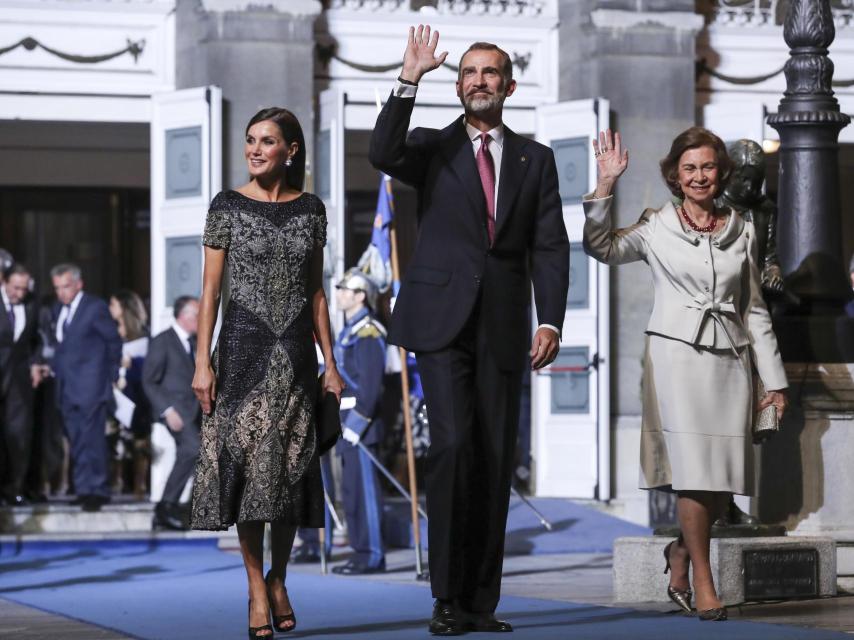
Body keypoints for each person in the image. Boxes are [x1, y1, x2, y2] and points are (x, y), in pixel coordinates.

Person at [369, 26, 569, 634]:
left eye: (490, 73)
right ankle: (446, 598)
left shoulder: (538, 158)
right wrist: (409, 78)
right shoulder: (432, 146)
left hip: (505, 326)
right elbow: (382, 152)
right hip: (441, 322)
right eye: (469, 73)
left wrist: (551, 317)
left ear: (508, 85)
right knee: (454, 447)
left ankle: (482, 603)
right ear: (457, 86)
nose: (479, 81)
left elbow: (550, 245)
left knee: (493, 457)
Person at [583, 127, 789, 621]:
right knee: (693, 474)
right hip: (676, 359)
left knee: (723, 477)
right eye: (689, 168)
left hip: (731, 361)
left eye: (708, 167)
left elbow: (755, 308)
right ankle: (702, 576)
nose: (699, 176)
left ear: (721, 173)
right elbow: (601, 247)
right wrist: (605, 185)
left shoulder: (740, 226)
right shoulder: (655, 225)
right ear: (675, 175)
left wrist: (775, 379)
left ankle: (679, 551)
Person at [190, 107, 344, 639]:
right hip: (240, 354)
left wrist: (332, 365)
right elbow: (209, 292)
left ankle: (280, 577)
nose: (255, 149)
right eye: (251, 141)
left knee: (290, 478)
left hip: (297, 359)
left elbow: (318, 293)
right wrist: (201, 362)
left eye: (268, 141)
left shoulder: (311, 210)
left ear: (290, 150)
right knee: (250, 477)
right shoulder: (227, 205)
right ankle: (257, 587)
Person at [50, 263, 122, 512]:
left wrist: (112, 374)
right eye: (57, 288)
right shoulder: (58, 309)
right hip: (66, 386)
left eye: (65, 286)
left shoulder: (95, 307)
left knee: (92, 439)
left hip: (92, 384)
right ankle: (83, 488)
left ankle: (98, 490)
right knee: (76, 439)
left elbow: (113, 340)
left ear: (78, 284)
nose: (61, 292)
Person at [331, 268, 387, 575]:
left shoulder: (369, 331)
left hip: (360, 427)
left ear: (360, 296)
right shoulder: (348, 331)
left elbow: (370, 386)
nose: (338, 294)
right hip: (344, 424)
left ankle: (373, 554)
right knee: (350, 493)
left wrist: (356, 426)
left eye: (344, 289)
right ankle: (360, 549)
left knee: (365, 493)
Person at [143, 296, 200, 530]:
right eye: (198, 315)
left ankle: (179, 507)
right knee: (192, 449)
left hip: (196, 410)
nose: (202, 319)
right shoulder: (163, 341)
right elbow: (149, 381)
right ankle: (165, 507)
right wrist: (167, 411)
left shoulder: (195, 342)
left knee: (202, 454)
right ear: (184, 316)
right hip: (176, 411)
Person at [0, 264, 41, 506]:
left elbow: (35, 339)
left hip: (19, 381)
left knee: (19, 435)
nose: (19, 293)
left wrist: (36, 362)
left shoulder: (31, 304)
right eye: (16, 288)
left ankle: (14, 488)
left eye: (24, 289)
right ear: (4, 282)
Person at [109, 289, 152, 497]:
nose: (110, 309)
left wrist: (131, 364)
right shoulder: (111, 332)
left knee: (138, 440)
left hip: (136, 395)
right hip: (116, 394)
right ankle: (116, 481)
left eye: (113, 304)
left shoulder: (143, 337)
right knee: (115, 440)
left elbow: (147, 371)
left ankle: (139, 485)